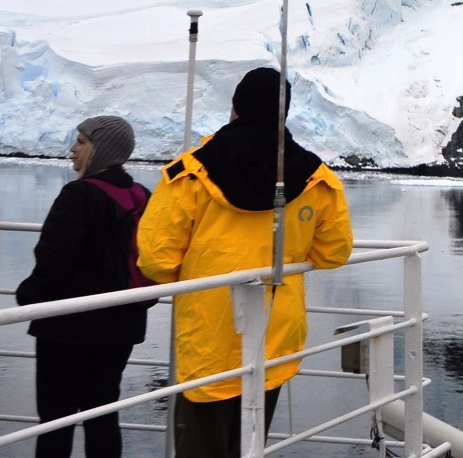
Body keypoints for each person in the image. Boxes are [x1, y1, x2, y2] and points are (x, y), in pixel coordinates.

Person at [138, 70, 351, 458]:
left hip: (209, 340)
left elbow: (155, 260)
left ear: (235, 107)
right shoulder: (316, 178)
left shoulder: (189, 173)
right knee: (249, 444)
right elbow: (334, 251)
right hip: (274, 337)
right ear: (283, 114)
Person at [15, 116, 152, 458]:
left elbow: (54, 259)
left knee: (55, 419)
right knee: (102, 413)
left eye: (81, 142)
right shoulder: (142, 196)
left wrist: (28, 297)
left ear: (100, 149)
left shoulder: (78, 194)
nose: (73, 149)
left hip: (68, 328)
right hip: (122, 326)